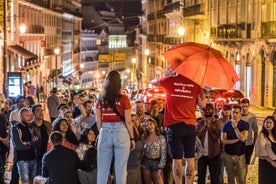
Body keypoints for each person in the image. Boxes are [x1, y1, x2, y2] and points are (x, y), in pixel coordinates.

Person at [150, 70, 206, 184]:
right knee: (190, 158)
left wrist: (166, 76)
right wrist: (200, 90)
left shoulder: (170, 80)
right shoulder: (195, 84)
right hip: (190, 125)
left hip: (174, 126)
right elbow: (202, 104)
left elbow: (153, 82)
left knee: (177, 159)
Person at [95, 70, 135, 184]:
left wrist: (102, 132)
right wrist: (132, 138)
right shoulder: (124, 99)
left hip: (105, 131)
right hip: (121, 132)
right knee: (121, 170)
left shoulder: (100, 99)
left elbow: (98, 121)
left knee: (102, 169)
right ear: (119, 83)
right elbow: (128, 121)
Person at [221, 104, 249, 184]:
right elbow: (224, 140)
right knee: (230, 178)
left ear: (240, 113)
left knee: (241, 178)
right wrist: (237, 139)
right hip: (228, 155)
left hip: (240, 155)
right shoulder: (225, 125)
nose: (234, 114)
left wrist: (235, 128)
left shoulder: (244, 124)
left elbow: (243, 138)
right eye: (233, 112)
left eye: (236, 112)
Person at [11, 108, 39, 184]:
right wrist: (31, 144)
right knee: (25, 182)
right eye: (26, 116)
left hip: (33, 158)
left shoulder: (31, 127)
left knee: (34, 181)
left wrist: (27, 143)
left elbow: (37, 143)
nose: (29, 118)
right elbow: (19, 146)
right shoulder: (15, 128)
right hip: (22, 160)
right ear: (20, 117)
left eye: (30, 116)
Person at [196, 103, 222, 184]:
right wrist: (205, 125)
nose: (207, 111)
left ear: (213, 111)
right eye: (205, 110)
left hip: (214, 154)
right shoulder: (199, 122)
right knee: (201, 178)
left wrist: (209, 126)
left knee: (214, 178)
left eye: (209, 109)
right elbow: (197, 136)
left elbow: (215, 137)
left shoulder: (218, 122)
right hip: (201, 155)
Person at [141, 118, 166, 184]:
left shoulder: (161, 137)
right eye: (146, 125)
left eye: (150, 124)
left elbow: (164, 154)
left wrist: (161, 167)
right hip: (146, 162)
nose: (149, 126)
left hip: (157, 163)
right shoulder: (144, 137)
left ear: (155, 124)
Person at [30, 104, 52, 175]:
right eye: (38, 110)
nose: (41, 112)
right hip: (36, 156)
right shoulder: (30, 126)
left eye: (42, 110)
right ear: (33, 113)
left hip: (48, 155)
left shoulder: (48, 124)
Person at [255, 116, 276, 184]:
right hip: (267, 163)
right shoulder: (262, 135)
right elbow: (261, 151)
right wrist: (272, 162)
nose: (268, 124)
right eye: (266, 122)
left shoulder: (274, 135)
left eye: (270, 123)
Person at [240, 98, 258, 169]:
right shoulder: (237, 116)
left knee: (246, 163)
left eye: (246, 106)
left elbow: (255, 130)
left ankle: (243, 179)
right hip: (239, 142)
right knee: (238, 163)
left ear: (249, 106)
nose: (244, 108)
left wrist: (254, 143)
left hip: (249, 144)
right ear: (240, 106)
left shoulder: (252, 117)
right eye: (242, 106)